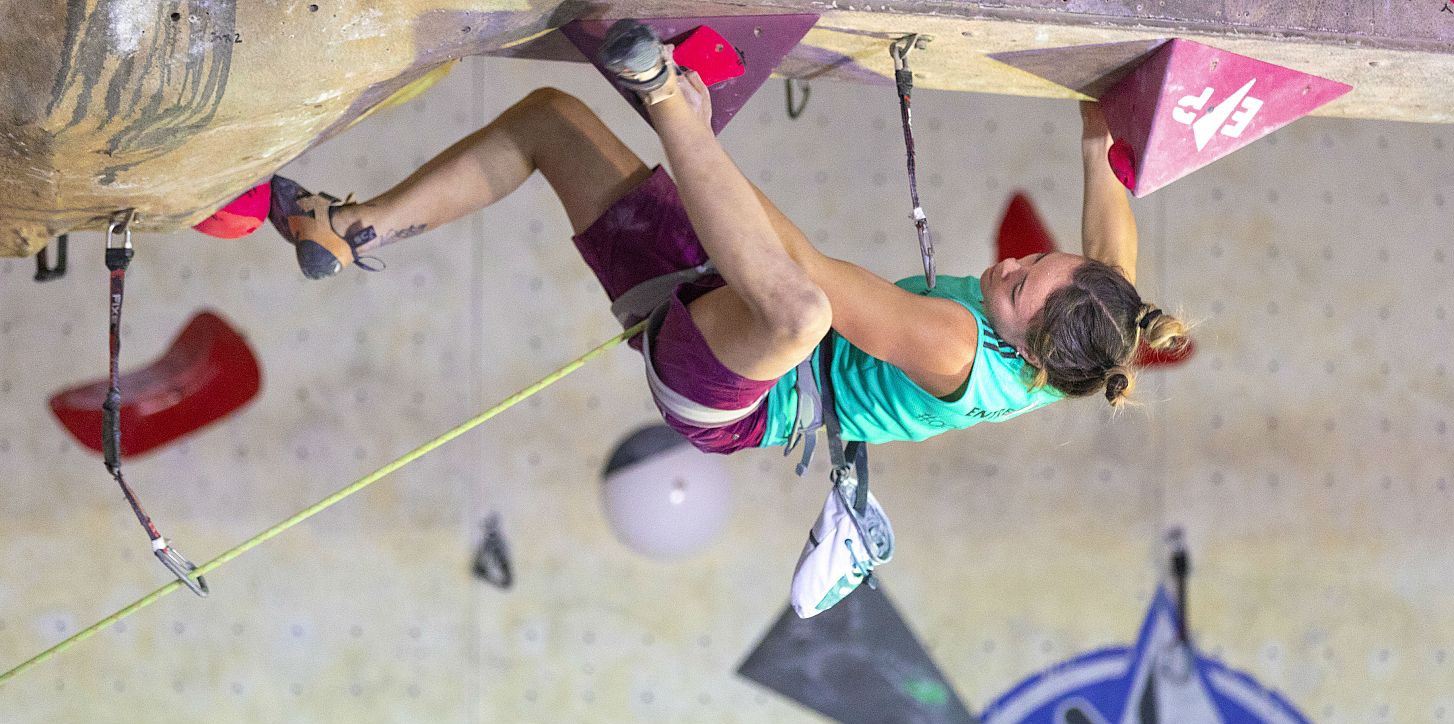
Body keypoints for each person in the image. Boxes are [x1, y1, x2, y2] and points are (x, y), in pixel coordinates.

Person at [267, 23, 1189, 463]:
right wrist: (1103, 120)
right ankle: (350, 229)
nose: (1013, 263)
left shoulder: (955, 346)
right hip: (728, 291)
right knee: (551, 123)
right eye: (1039, 260)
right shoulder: (1098, 327)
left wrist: (692, 137)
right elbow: (1106, 214)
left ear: (1026, 356)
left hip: (731, 392)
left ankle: (663, 96)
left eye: (1019, 288)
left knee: (803, 311)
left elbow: (806, 270)